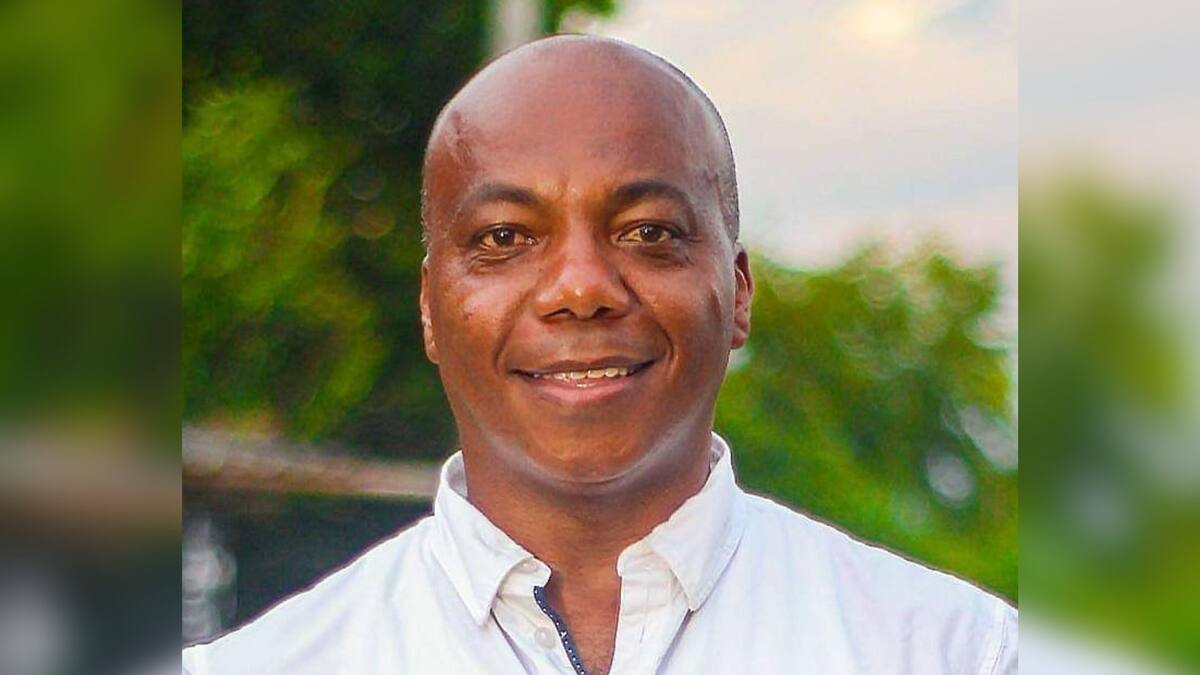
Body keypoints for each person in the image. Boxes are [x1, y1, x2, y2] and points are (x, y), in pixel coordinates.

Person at [182, 34, 1017, 675]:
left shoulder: (950, 652)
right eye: (504, 237)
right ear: (430, 307)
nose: (580, 287)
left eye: (648, 232)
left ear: (737, 293)